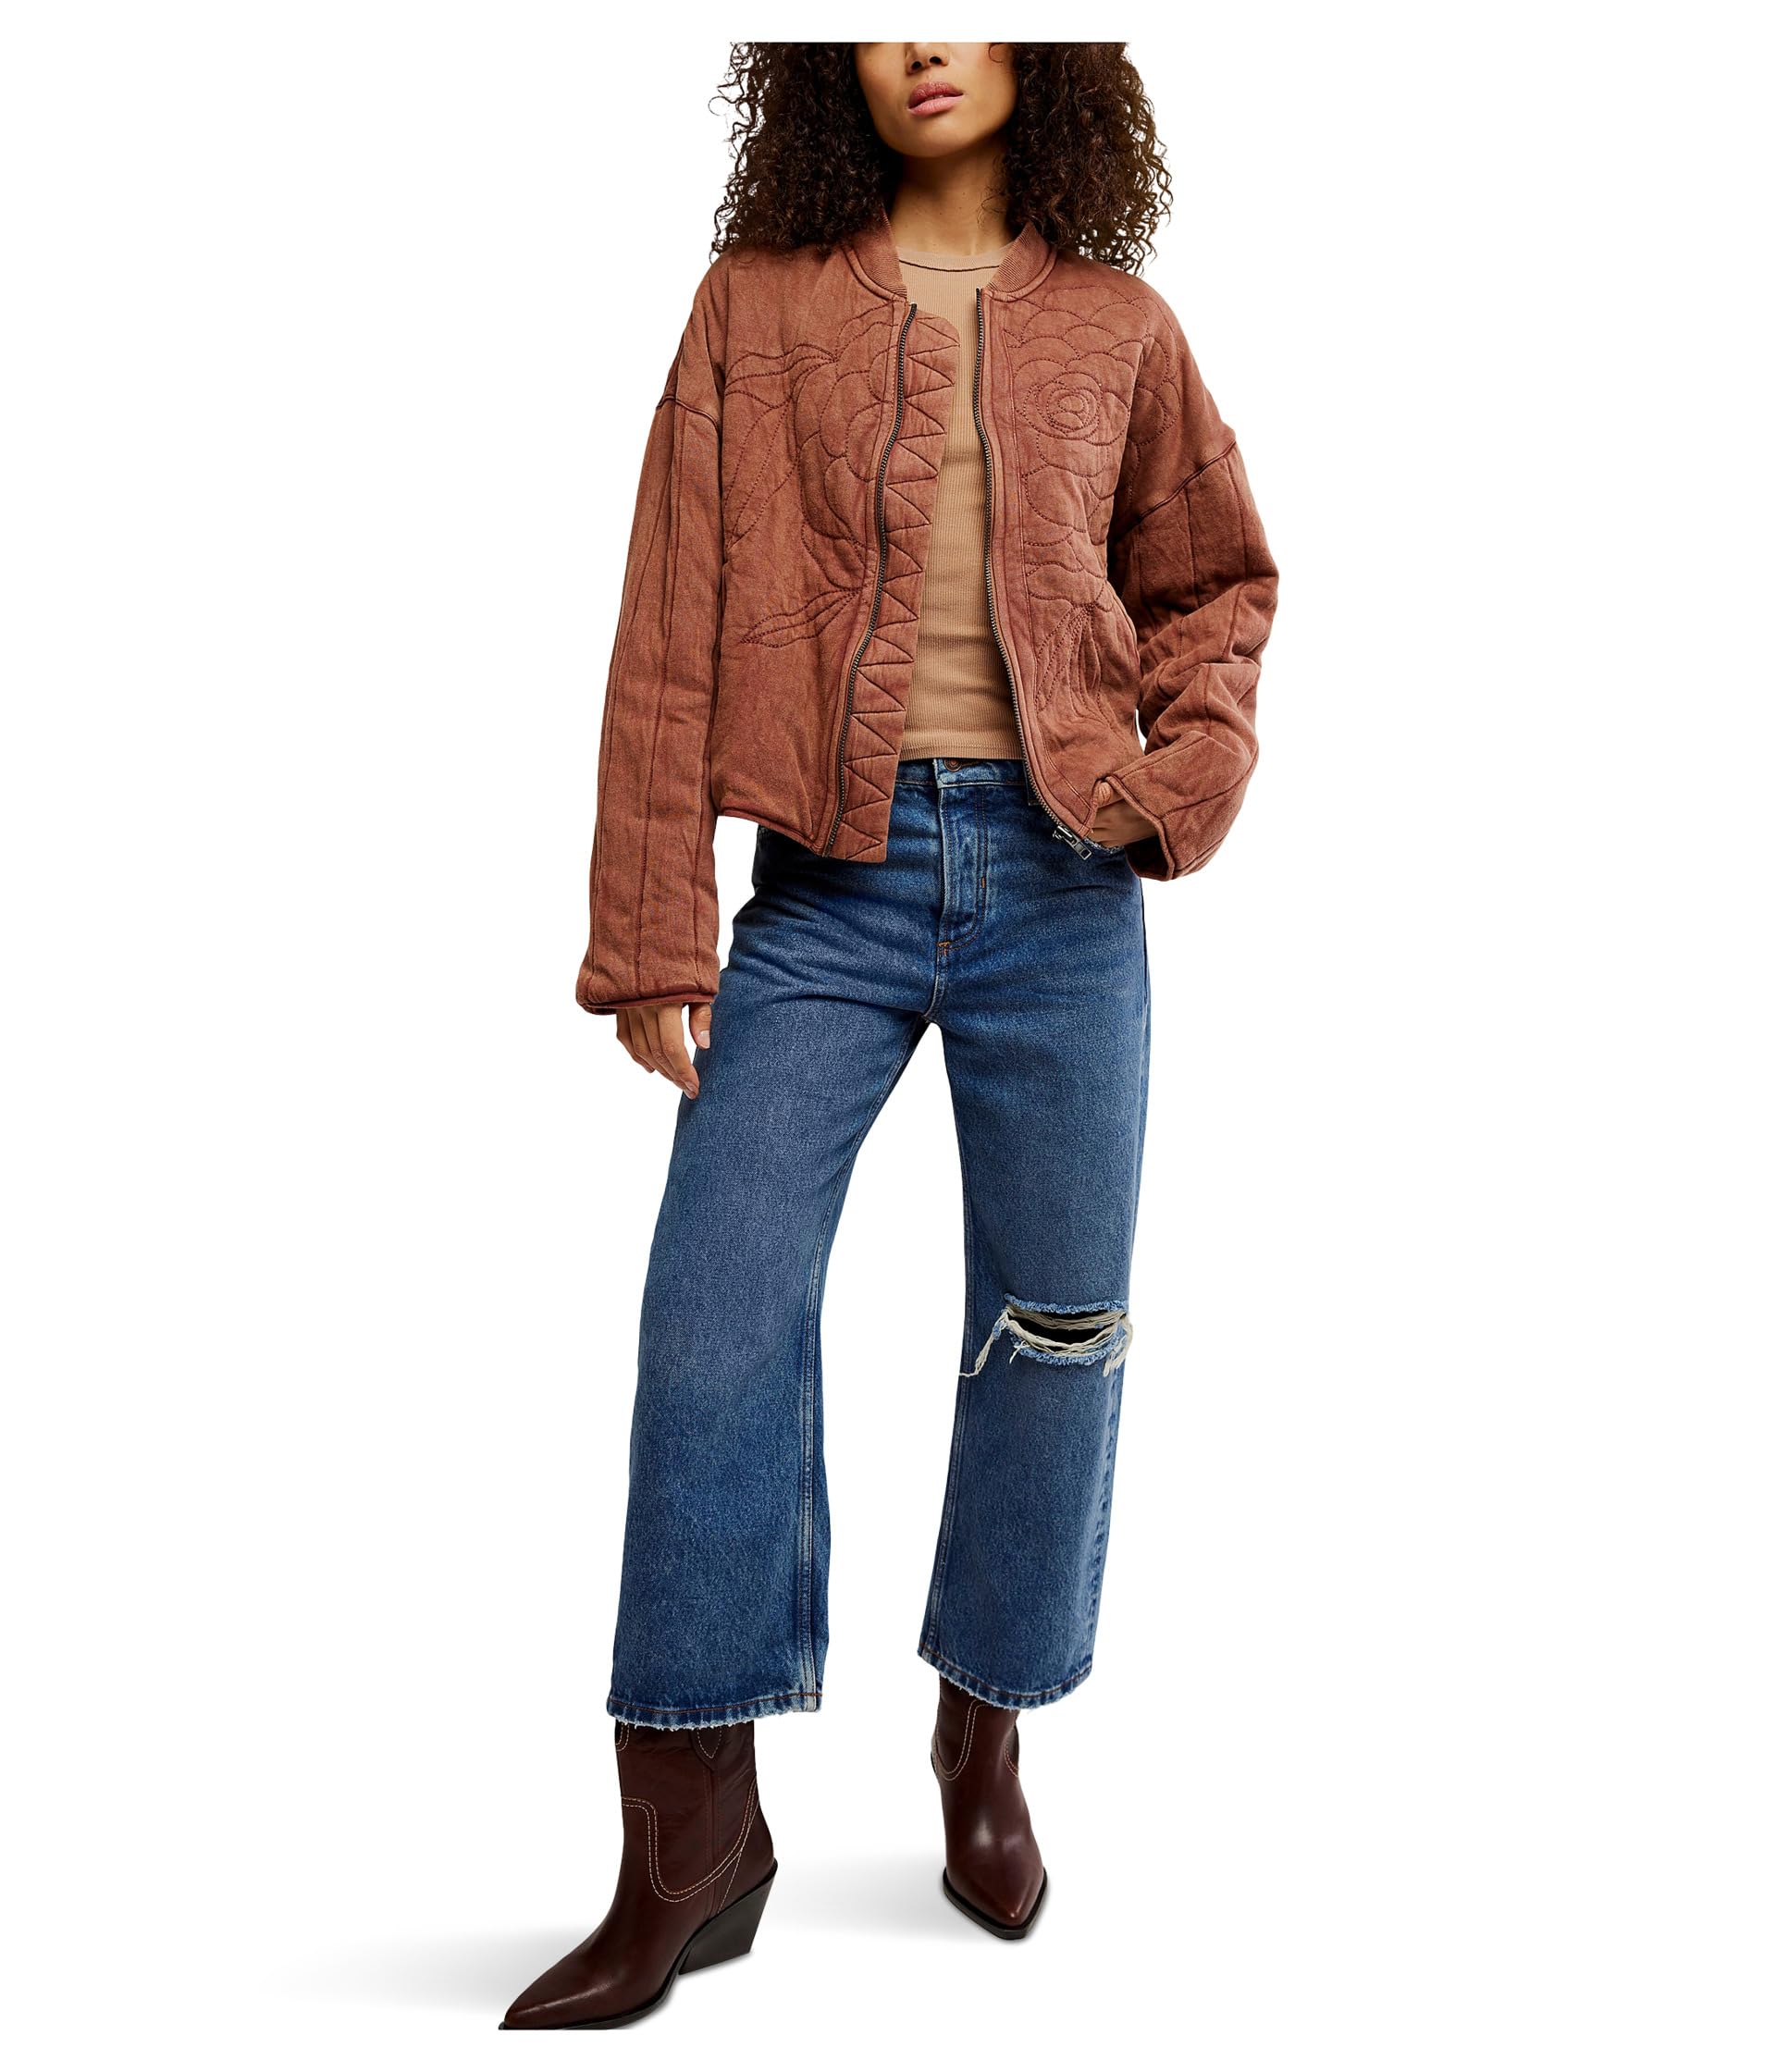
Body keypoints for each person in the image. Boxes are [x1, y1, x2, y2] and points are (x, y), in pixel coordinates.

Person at [502, 41, 1277, 2029]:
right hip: (825, 897)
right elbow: (669, 616)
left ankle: (983, 1725)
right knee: (714, 1319)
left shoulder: (1121, 328)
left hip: (1063, 891)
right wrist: (652, 923)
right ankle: (690, 1838)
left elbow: (1216, 588)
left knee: (1054, 1328)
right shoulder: (753, 307)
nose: (922, 37)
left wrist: (1173, 784)